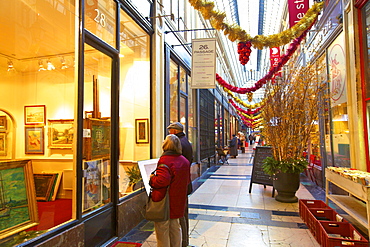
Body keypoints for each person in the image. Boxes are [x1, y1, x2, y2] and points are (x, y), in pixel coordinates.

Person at [149, 134, 190, 247]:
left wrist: (152, 179)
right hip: (178, 201)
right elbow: (186, 181)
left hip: (165, 202)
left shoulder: (165, 160)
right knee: (175, 227)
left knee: (162, 230)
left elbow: (162, 181)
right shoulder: (184, 161)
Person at [167, 122, 193, 247]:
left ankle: (183, 242)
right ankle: (184, 240)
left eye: (170, 130)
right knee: (183, 213)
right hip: (184, 184)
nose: (169, 133)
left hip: (180, 186)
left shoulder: (179, 143)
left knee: (180, 214)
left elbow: (177, 166)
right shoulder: (185, 140)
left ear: (175, 131)